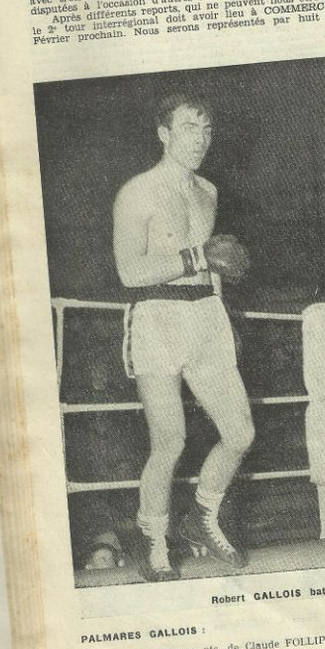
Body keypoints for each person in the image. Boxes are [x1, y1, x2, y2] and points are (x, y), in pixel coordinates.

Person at [113, 91, 254, 580]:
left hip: (206, 315)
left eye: (207, 129)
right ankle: (153, 540)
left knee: (240, 433)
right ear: (164, 134)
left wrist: (224, 316)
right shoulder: (137, 192)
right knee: (169, 440)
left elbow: (211, 266)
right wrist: (197, 258)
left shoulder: (209, 192)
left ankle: (202, 518)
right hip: (157, 318)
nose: (201, 139)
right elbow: (130, 271)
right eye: (190, 128)